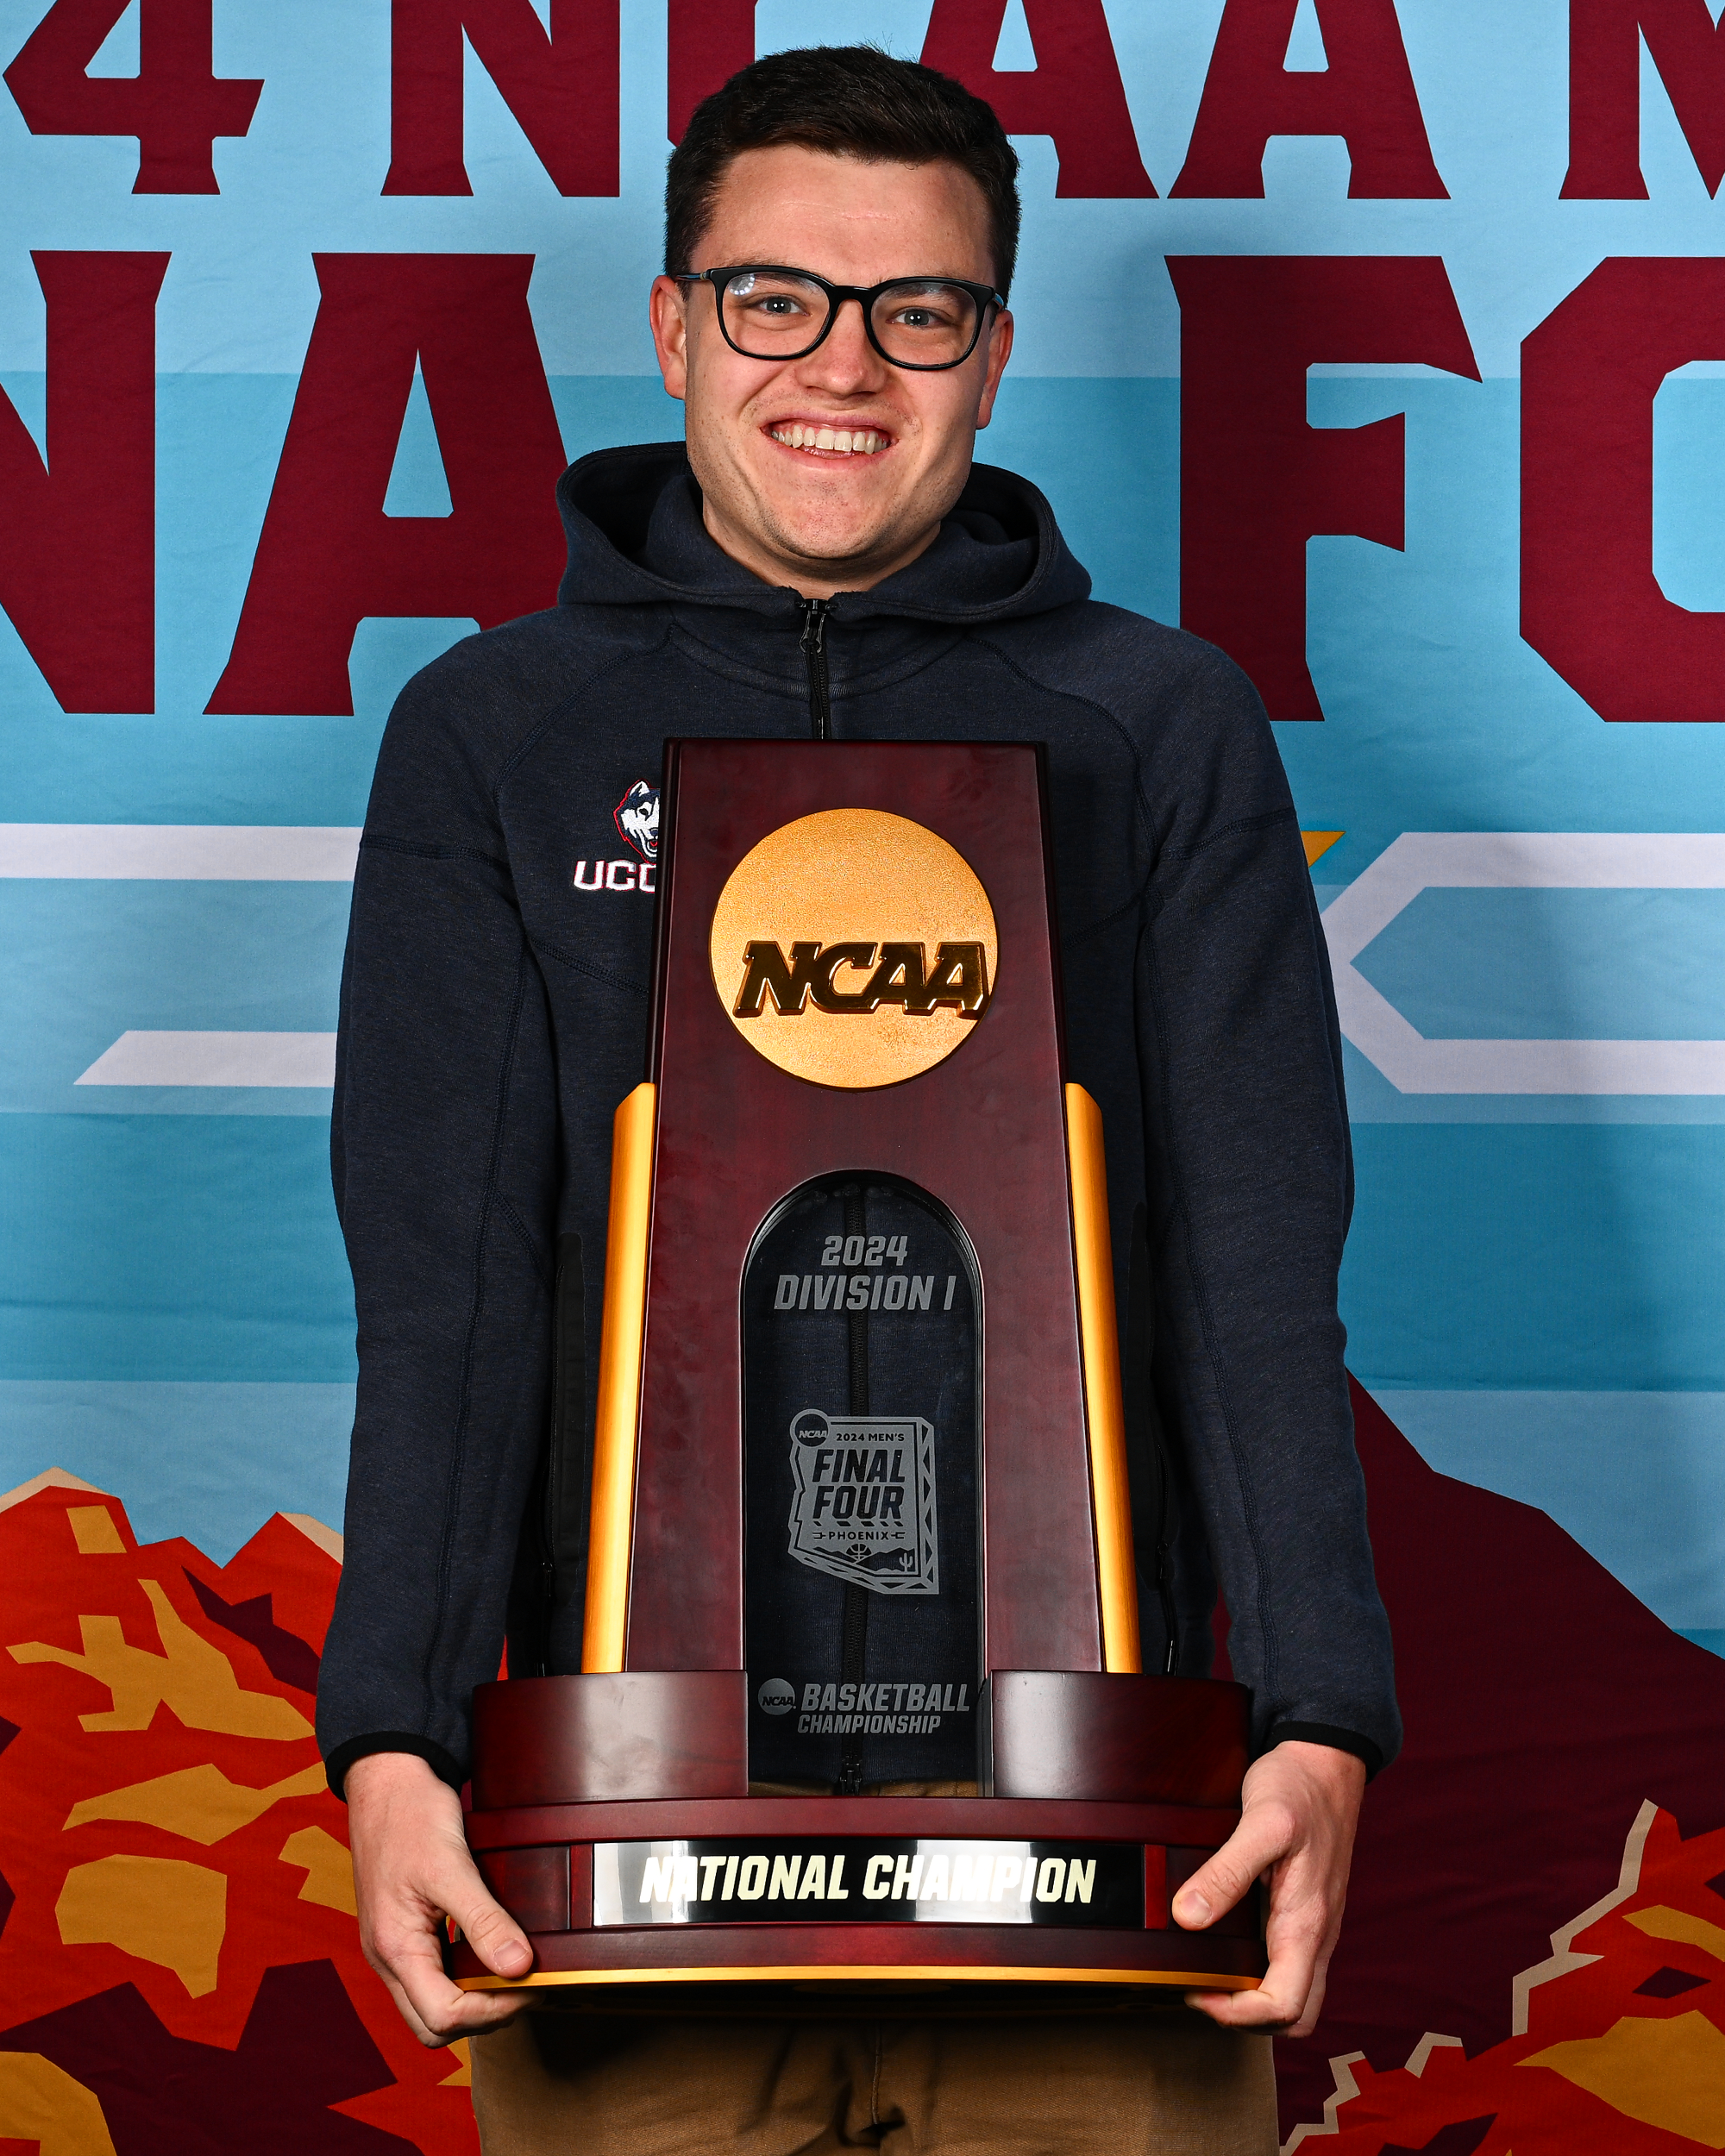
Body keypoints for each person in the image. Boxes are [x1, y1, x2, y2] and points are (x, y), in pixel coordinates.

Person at [317, 43, 1398, 2156]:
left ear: (991, 353)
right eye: (773, 299)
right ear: (673, 324)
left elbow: (1258, 1272)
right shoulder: (496, 736)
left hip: (1099, 1847)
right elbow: (436, 1291)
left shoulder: (1156, 723)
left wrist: (1321, 1721)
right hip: (621, 1855)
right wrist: (389, 1734)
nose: (845, 365)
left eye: (918, 309)